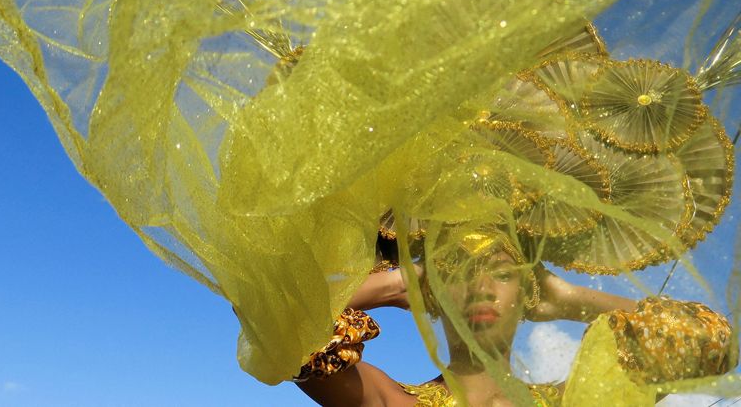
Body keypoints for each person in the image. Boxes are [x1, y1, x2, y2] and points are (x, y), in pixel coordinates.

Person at [294, 229, 736, 407]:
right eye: (456, 272)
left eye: (503, 274)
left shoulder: (571, 401)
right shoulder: (393, 401)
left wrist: (567, 298)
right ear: (432, 294)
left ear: (528, 293)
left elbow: (713, 342)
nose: (482, 286)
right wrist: (400, 282)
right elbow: (283, 326)